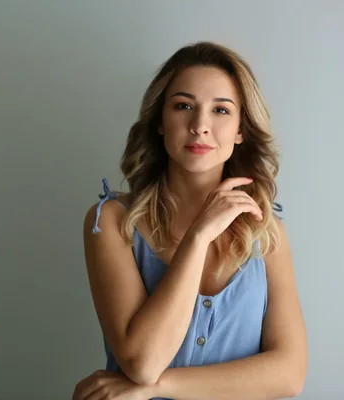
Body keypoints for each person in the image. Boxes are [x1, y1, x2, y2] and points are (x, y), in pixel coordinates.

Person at [73, 41, 307, 400]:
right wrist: (199, 236)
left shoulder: (266, 233)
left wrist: (154, 389)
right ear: (161, 123)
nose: (200, 126)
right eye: (184, 106)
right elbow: (142, 362)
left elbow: (289, 375)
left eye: (221, 110)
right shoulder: (112, 222)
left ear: (241, 130)